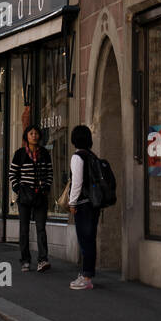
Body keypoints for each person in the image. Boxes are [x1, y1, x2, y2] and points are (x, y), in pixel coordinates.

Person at [10, 124, 53, 273]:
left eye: (36, 133)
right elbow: (12, 174)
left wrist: (46, 188)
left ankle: (43, 259)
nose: (34, 136)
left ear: (39, 136)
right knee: (24, 229)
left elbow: (49, 172)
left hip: (40, 195)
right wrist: (18, 189)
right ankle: (25, 260)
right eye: (31, 133)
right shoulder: (20, 154)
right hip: (24, 196)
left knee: (41, 228)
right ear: (26, 137)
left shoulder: (45, 154)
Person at [68, 124, 100, 290]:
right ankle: (87, 273)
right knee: (90, 239)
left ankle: (87, 277)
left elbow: (77, 183)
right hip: (94, 203)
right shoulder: (92, 155)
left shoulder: (77, 157)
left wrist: (72, 202)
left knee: (85, 240)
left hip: (83, 204)